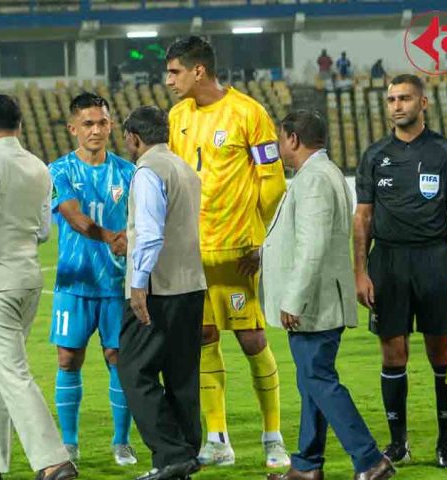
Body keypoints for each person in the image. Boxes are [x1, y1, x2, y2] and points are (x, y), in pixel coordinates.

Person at [165, 36, 289, 468]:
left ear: (199, 70)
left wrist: (265, 241)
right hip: (192, 256)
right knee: (203, 339)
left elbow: (272, 182)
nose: (169, 81)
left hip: (239, 253)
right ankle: (217, 438)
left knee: (253, 340)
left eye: (174, 72)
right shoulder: (176, 117)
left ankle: (273, 436)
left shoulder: (249, 113)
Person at [264, 110, 395, 480]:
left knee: (319, 380)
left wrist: (294, 298)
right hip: (319, 300)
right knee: (311, 383)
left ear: (293, 139)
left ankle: (370, 460)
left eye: (280, 138)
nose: (278, 145)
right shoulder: (322, 173)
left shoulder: (315, 179)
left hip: (314, 303)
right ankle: (307, 465)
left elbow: (313, 244)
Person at [0, 94, 78, 480]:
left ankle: (53, 460)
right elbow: (43, 231)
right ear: (20, 126)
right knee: (2, 372)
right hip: (29, 281)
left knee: (13, 373)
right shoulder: (40, 167)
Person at [354, 73, 447, 469]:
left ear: (423, 103)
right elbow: (363, 218)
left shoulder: (446, 152)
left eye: (404, 98)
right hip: (387, 262)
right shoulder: (373, 155)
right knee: (393, 354)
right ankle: (398, 442)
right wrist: (360, 272)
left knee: (440, 353)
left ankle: (445, 443)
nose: (396, 105)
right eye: (390, 100)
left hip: (434, 260)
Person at [48, 92, 137, 467]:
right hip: (74, 283)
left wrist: (131, 239)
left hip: (116, 285)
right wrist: (111, 237)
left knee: (118, 359)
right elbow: (72, 216)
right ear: (73, 129)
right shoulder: (59, 171)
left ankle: (121, 442)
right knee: (68, 359)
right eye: (88, 124)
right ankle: (68, 444)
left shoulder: (129, 172)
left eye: (102, 122)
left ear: (111, 125)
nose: (96, 130)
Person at [118, 106, 206, 480]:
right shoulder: (185, 169)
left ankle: (169, 455)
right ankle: (186, 455)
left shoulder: (147, 172)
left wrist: (138, 283)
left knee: (134, 370)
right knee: (181, 374)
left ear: (135, 138)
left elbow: (150, 234)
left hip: (159, 288)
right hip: (192, 285)